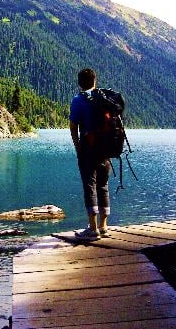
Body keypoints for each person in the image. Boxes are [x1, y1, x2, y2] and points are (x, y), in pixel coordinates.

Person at [69, 68, 112, 241]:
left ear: (80, 83)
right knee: (103, 186)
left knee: (90, 186)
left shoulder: (78, 100)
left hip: (88, 149)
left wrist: (78, 147)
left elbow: (73, 126)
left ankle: (92, 229)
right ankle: (104, 227)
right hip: (106, 150)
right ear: (95, 81)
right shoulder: (105, 98)